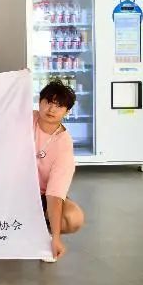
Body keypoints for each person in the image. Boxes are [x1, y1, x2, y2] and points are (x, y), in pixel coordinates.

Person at [33, 81, 85, 262]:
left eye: (59, 106)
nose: (52, 109)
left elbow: (55, 194)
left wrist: (56, 238)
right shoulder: (26, 118)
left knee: (73, 218)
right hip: (10, 189)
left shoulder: (63, 145)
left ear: (67, 112)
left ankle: (44, 236)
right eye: (48, 102)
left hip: (40, 195)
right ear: (39, 102)